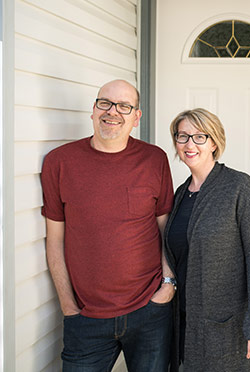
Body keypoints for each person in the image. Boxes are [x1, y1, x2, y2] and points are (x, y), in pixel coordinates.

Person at [41, 79, 176, 371]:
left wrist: (167, 287)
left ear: (136, 117)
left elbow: (166, 230)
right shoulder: (59, 163)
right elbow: (54, 239)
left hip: (149, 311)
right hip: (86, 317)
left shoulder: (154, 160)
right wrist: (68, 306)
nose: (112, 112)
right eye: (105, 103)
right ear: (93, 110)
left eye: (124, 106)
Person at [163, 108, 250, 371]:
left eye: (199, 137)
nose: (189, 144)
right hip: (187, 319)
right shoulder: (179, 195)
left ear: (214, 142)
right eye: (182, 136)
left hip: (228, 324)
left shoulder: (239, 187)